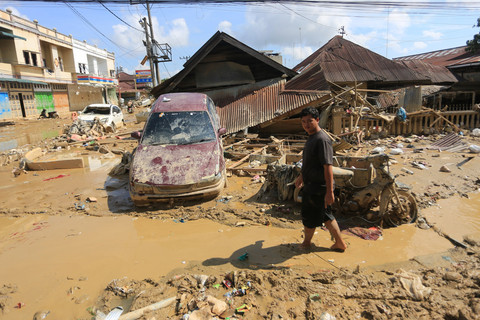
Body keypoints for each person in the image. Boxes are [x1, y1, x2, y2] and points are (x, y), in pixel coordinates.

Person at [295, 106, 347, 252]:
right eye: (303, 122)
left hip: (318, 187)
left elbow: (327, 167)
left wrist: (329, 191)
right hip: (312, 184)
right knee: (326, 215)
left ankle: (306, 243)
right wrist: (301, 175)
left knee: (309, 216)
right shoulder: (312, 137)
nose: (306, 124)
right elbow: (309, 161)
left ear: (317, 120)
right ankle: (340, 243)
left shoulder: (322, 139)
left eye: (309, 121)